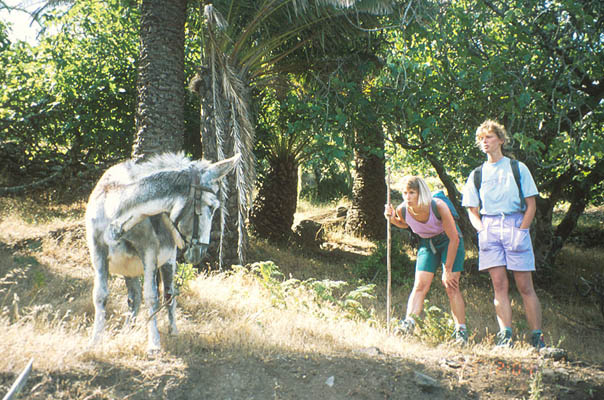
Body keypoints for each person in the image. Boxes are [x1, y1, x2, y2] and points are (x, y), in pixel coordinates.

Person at [462, 119, 545, 350]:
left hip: (515, 224)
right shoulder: (477, 174)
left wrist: (522, 230)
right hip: (489, 227)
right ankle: (505, 335)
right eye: (481, 139)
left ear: (500, 139)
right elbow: (472, 209)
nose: (484, 142)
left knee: (525, 286)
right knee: (499, 285)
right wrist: (482, 230)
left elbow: (531, 205)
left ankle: (537, 337)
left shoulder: (517, 168)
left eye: (488, 137)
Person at [385, 175, 467, 344]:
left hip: (449, 241)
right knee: (420, 284)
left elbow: (454, 238)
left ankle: (461, 332)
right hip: (427, 243)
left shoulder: (438, 206)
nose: (407, 197)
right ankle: (409, 323)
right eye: (405, 193)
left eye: (412, 193)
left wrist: (448, 269)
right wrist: (392, 218)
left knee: (451, 285)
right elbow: (405, 223)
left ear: (421, 192)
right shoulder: (403, 209)